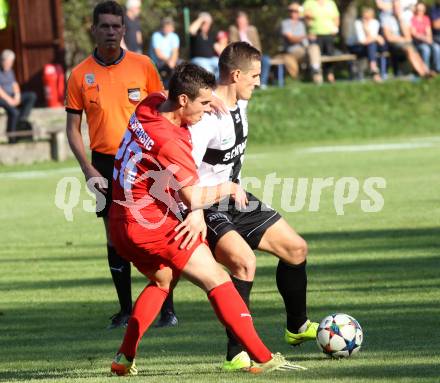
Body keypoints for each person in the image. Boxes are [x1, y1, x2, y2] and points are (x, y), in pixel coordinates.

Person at [108, 62, 304, 376]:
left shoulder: (149, 106)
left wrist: (208, 97)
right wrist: (228, 186)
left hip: (119, 223)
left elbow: (164, 93)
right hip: (151, 225)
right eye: (202, 103)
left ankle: (124, 358)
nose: (207, 109)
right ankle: (264, 358)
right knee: (219, 280)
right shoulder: (172, 142)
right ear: (183, 101)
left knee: (162, 280)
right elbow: (193, 198)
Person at [187, 42, 318, 371]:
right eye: (255, 76)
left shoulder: (238, 104)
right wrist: (195, 212)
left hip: (236, 198)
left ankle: (297, 328)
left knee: (296, 249)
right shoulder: (207, 117)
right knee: (244, 263)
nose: (259, 82)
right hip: (205, 205)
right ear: (235, 75)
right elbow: (185, 169)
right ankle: (235, 353)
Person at [65, 1, 166, 330]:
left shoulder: (144, 66)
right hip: (103, 164)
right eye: (104, 26)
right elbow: (71, 129)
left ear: (124, 29)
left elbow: (161, 116)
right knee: (114, 236)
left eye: (115, 26)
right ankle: (125, 309)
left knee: (151, 231)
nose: (110, 31)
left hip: (142, 159)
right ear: (93, 30)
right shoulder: (80, 75)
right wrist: (87, 170)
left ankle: (167, 307)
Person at [381, 0, 432, 77]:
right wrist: (403, 39)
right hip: (393, 44)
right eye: (395, 6)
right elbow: (389, 38)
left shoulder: (403, 18)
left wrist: (400, 20)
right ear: (392, 7)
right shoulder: (386, 18)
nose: (396, 8)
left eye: (398, 7)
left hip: (405, 43)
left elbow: (408, 36)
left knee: (415, 52)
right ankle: (421, 73)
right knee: (409, 49)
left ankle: (426, 71)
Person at [0, 49, 36, 144]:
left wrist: (17, 95)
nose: (9, 64)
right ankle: (12, 138)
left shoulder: (10, 71)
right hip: (2, 98)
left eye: (11, 62)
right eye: (8, 62)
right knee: (14, 112)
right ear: (2, 61)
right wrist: (10, 100)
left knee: (31, 96)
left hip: (12, 96)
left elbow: (14, 84)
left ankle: (21, 120)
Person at [281, 2, 322, 83]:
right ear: (289, 12)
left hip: (305, 49)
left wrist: (305, 14)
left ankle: (317, 77)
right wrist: (306, 37)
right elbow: (291, 39)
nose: (294, 13)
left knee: (314, 48)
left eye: (296, 11)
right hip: (293, 50)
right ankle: (314, 72)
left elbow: (311, 19)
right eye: (292, 11)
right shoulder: (285, 23)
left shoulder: (301, 23)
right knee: (313, 53)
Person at [228, 11, 270, 88]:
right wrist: (241, 33)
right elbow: (234, 45)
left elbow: (257, 45)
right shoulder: (233, 29)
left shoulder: (252, 30)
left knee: (266, 60)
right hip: (241, 56)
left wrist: (256, 54)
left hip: (254, 54)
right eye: (239, 22)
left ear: (247, 21)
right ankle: (247, 84)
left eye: (243, 22)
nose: (241, 24)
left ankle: (263, 83)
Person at [303, 0, 340, 82]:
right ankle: (318, 77)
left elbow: (336, 17)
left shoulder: (330, 2)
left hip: (329, 33)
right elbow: (304, 15)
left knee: (329, 54)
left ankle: (330, 74)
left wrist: (335, 28)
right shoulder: (309, 2)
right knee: (317, 54)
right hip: (315, 34)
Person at [346, 7, 385, 81]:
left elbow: (370, 39)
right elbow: (362, 41)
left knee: (372, 45)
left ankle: (373, 69)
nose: (366, 19)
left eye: (368, 18)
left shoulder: (375, 23)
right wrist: (376, 37)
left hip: (368, 47)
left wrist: (369, 33)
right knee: (372, 45)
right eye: (365, 17)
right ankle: (374, 69)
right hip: (355, 46)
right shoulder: (358, 23)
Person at [149, 17, 180, 88]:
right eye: (166, 27)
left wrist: (172, 61)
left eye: (169, 27)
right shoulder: (156, 36)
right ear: (162, 28)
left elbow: (175, 52)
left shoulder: (174, 36)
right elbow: (158, 54)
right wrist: (169, 61)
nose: (168, 29)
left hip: (171, 61)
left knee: (182, 66)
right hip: (158, 61)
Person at [411, 2, 440, 72]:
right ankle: (425, 70)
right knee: (426, 49)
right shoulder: (413, 19)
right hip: (418, 42)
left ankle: (437, 68)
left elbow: (428, 31)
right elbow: (414, 33)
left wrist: (429, 38)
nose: (420, 12)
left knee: (436, 48)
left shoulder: (426, 18)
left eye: (422, 10)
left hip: (427, 39)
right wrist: (424, 38)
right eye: (418, 10)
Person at [189, 12, 218, 76]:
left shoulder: (210, 35)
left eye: (209, 24)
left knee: (223, 67)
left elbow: (217, 48)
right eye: (205, 24)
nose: (207, 26)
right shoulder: (196, 34)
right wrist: (201, 19)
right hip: (198, 59)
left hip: (212, 59)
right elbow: (191, 30)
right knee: (209, 71)